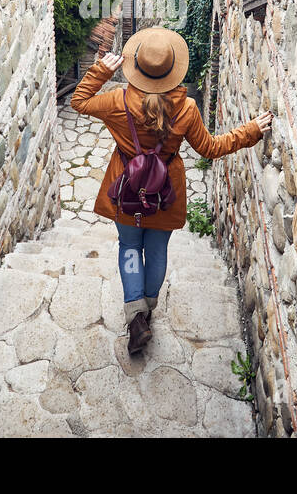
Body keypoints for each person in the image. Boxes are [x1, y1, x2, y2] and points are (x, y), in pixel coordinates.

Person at [70, 26, 272, 355]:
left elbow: (79, 101)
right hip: (164, 195)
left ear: (135, 67)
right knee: (158, 251)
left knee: (130, 248)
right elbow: (210, 148)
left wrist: (100, 71)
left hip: (126, 192)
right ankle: (146, 311)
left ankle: (135, 317)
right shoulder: (188, 108)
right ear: (171, 71)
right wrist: (250, 131)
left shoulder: (116, 102)